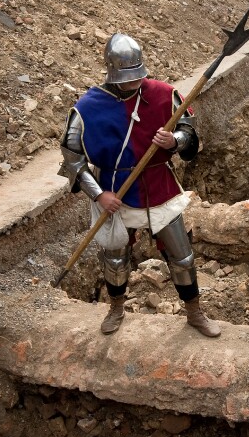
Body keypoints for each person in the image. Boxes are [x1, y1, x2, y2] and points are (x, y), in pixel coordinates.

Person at [59, 34, 221, 338]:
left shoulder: (163, 94)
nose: (135, 83)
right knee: (115, 257)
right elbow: (72, 159)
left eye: (138, 76)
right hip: (114, 188)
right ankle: (116, 309)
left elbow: (190, 133)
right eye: (128, 78)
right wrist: (99, 194)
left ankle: (195, 313)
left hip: (159, 185)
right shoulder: (87, 108)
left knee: (182, 255)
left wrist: (175, 140)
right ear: (112, 72)